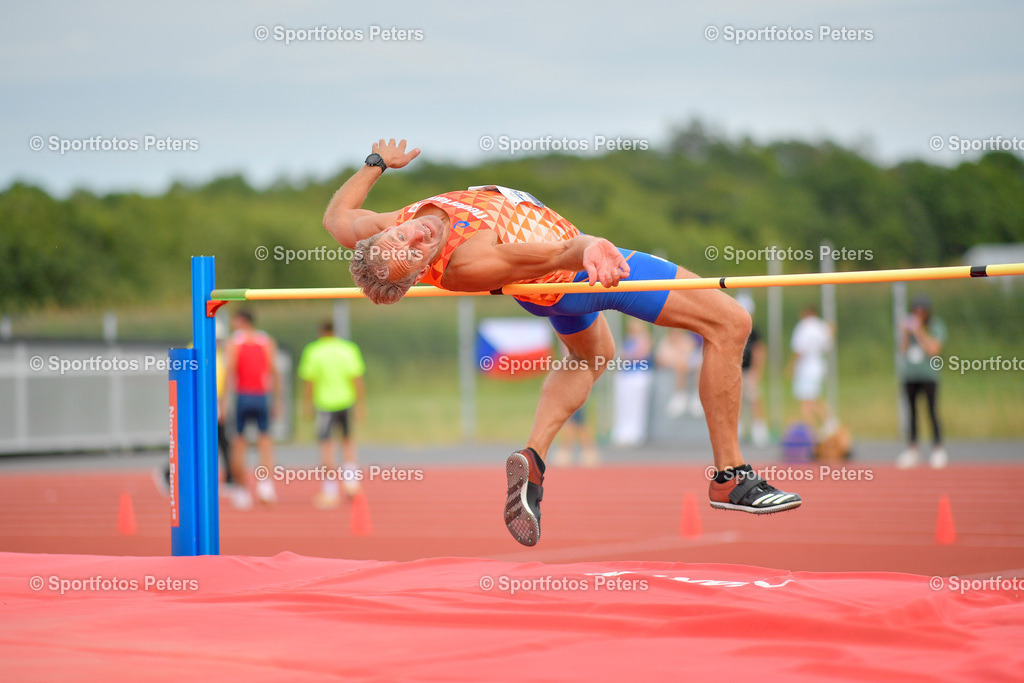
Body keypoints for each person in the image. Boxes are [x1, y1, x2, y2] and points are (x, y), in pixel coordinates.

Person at [323, 138, 801, 547]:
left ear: (388, 230)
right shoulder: (468, 262)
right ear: (420, 274)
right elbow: (558, 254)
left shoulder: (388, 226)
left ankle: (532, 459)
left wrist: (376, 163)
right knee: (731, 323)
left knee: (595, 356)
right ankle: (731, 477)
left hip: (553, 292)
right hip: (577, 275)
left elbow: (337, 219)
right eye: (416, 254)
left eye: (405, 237)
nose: (417, 237)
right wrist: (591, 246)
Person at [298, 321, 367, 507]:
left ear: (321, 332)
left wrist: (306, 404)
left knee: (326, 446)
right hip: (346, 402)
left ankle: (330, 491)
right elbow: (357, 379)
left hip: (325, 404)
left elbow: (309, 381)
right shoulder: (348, 349)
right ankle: (351, 484)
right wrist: (360, 405)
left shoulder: (314, 351)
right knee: (348, 442)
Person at [222, 310, 283, 508]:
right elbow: (274, 371)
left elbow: (230, 371)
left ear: (242, 321)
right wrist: (277, 400)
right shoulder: (266, 341)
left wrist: (223, 401)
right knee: (265, 443)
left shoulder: (234, 342)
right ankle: (266, 487)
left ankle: (241, 491)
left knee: (239, 444)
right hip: (261, 397)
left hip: (243, 396)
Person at [896, 296, 947, 469]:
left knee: (932, 412)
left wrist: (919, 332)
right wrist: (905, 333)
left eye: (922, 311)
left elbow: (933, 349)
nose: (918, 314)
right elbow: (902, 350)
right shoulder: (908, 328)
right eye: (916, 311)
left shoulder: (935, 326)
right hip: (910, 376)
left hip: (928, 376)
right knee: (911, 414)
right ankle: (912, 450)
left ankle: (938, 449)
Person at [788, 305, 834, 434]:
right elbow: (827, 347)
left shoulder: (803, 326)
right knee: (814, 398)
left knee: (806, 401)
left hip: (805, 368)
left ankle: (811, 430)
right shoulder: (821, 326)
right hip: (818, 366)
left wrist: (791, 365)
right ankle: (829, 423)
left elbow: (799, 349)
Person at [611, 319, 654, 445]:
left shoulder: (645, 339)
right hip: (626, 374)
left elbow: (639, 354)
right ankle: (622, 432)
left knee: (636, 405)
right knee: (624, 404)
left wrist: (627, 355)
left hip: (639, 374)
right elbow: (620, 355)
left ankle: (635, 433)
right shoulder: (628, 340)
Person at [735, 293, 769, 447]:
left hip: (748, 371)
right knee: (736, 401)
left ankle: (759, 429)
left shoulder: (753, 331)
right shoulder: (733, 329)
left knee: (754, 399)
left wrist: (756, 371)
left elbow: (759, 351)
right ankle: (739, 429)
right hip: (736, 370)